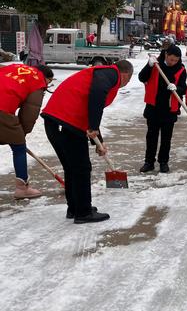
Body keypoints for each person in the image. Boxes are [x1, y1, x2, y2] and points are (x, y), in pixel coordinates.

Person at [41, 60, 133, 223]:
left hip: (58, 122)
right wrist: (93, 126)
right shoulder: (111, 74)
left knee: (72, 167)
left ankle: (75, 207)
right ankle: (83, 213)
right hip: (65, 122)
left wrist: (98, 142)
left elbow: (90, 110)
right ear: (126, 75)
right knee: (81, 168)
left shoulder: (99, 75)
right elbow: (97, 95)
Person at [0, 63, 54, 199]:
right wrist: (21, 135)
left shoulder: (15, 67)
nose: (47, 86)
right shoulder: (38, 80)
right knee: (19, 148)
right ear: (45, 76)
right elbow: (30, 113)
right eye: (49, 82)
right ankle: (22, 188)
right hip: (2, 108)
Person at [138, 45, 187, 174]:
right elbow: (142, 78)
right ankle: (149, 162)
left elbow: (184, 88)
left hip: (169, 110)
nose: (173, 63)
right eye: (171, 59)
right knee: (151, 138)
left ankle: (163, 162)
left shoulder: (181, 69)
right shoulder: (155, 64)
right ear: (166, 54)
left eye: (175, 60)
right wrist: (148, 66)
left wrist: (176, 88)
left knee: (166, 139)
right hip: (153, 108)